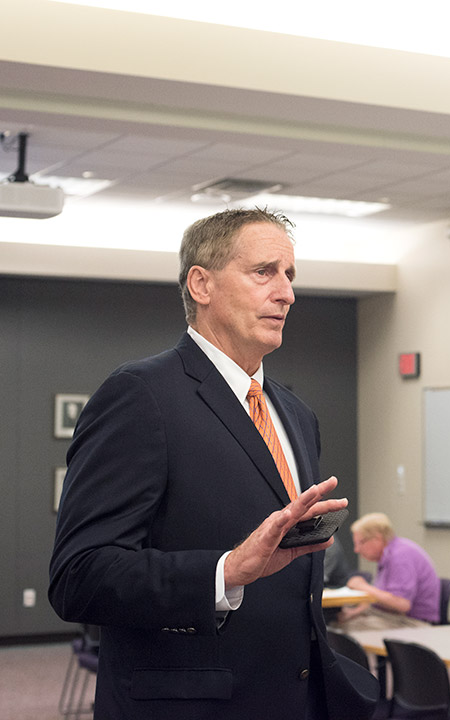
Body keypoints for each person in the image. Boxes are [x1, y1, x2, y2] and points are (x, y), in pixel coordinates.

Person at [49, 208, 377, 720]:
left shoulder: (296, 414)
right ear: (201, 284)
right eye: (264, 272)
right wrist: (226, 571)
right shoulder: (140, 396)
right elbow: (79, 576)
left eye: (290, 276)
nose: (287, 293)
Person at [335, 513, 441, 630]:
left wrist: (364, 587)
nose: (357, 550)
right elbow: (383, 600)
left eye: (361, 542)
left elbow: (402, 604)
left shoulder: (400, 557)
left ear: (377, 538)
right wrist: (355, 612)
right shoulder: (389, 554)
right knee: (340, 623)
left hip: (412, 622)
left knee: (346, 628)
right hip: (393, 617)